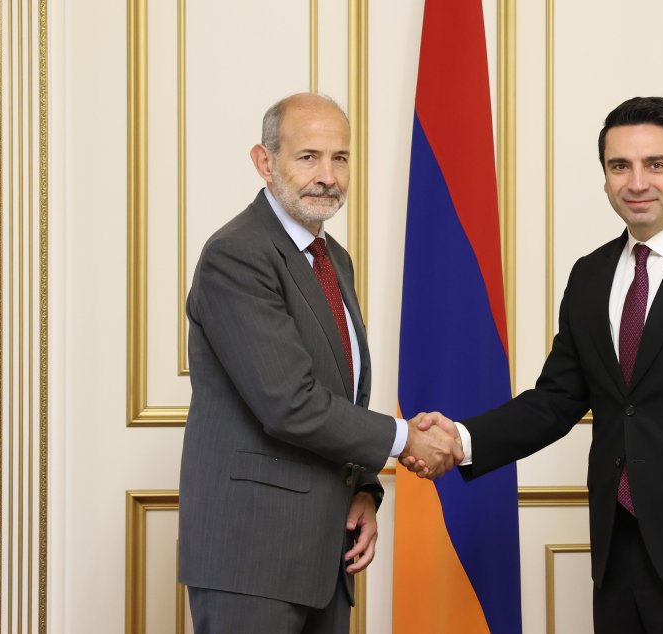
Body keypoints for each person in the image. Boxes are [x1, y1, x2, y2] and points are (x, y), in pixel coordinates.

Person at [406, 96, 663, 634]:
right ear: (604, 177)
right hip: (616, 561)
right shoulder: (590, 276)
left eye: (655, 164)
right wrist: (460, 439)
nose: (636, 182)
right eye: (620, 166)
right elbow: (556, 400)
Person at [177, 92, 462, 634]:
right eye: (308, 157)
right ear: (265, 162)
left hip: (327, 550)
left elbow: (339, 391)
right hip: (250, 557)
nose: (327, 176)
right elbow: (289, 402)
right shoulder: (237, 254)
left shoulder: (333, 261)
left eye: (340, 158)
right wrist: (407, 438)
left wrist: (364, 491)